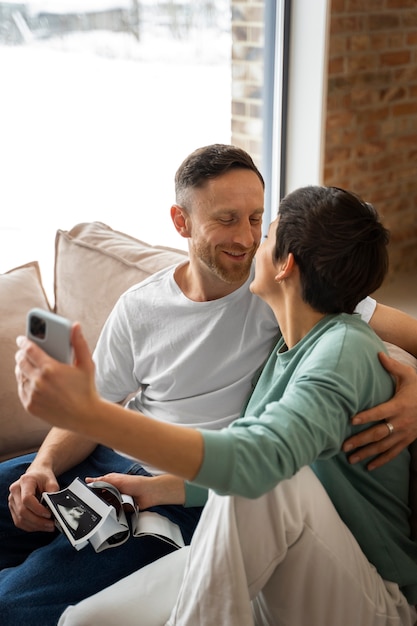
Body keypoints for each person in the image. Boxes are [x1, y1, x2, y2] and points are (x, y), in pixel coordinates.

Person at [4, 145, 417, 625]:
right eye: (229, 220)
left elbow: (256, 462)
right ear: (182, 222)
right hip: (193, 493)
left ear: (284, 265)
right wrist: (148, 487)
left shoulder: (338, 343)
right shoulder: (280, 359)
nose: (248, 240)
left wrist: (90, 415)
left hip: (360, 580)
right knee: (82, 620)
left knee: (272, 482)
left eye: (262, 226)